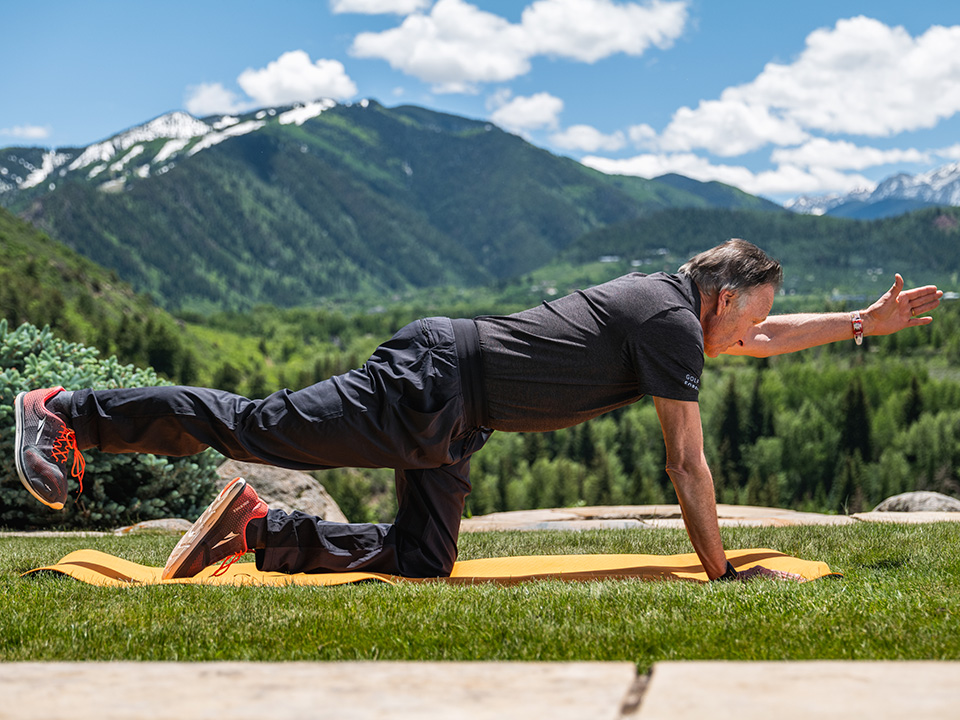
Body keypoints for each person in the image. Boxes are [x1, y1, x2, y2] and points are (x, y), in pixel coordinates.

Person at [13, 239, 943, 582]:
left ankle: (261, 534)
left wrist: (863, 320)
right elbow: (687, 466)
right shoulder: (668, 320)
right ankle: (65, 409)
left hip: (457, 412)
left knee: (422, 561)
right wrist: (719, 571)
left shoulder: (676, 310)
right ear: (723, 294)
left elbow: (767, 343)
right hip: (431, 382)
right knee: (258, 425)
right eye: (757, 311)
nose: (759, 331)